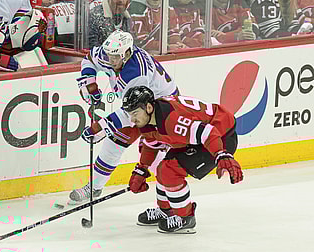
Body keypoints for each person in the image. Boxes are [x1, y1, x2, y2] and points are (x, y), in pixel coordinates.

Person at [69, 30, 179, 203]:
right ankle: (95, 188)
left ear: (127, 54)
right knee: (113, 143)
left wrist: (101, 126)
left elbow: (134, 112)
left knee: (156, 157)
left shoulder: (136, 73)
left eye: (115, 57)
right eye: (109, 56)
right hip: (140, 105)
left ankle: (170, 206)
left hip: (162, 109)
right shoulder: (112, 55)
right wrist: (90, 82)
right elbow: (89, 59)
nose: (111, 61)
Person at [122, 86, 243, 234]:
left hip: (221, 136)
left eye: (135, 113)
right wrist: (142, 169)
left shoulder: (171, 120)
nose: (132, 120)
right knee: (163, 167)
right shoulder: (150, 119)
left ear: (148, 107)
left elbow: (208, 133)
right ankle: (166, 210)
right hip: (202, 137)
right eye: (129, 114)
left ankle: (186, 218)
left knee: (168, 170)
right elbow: (151, 144)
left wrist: (221, 154)